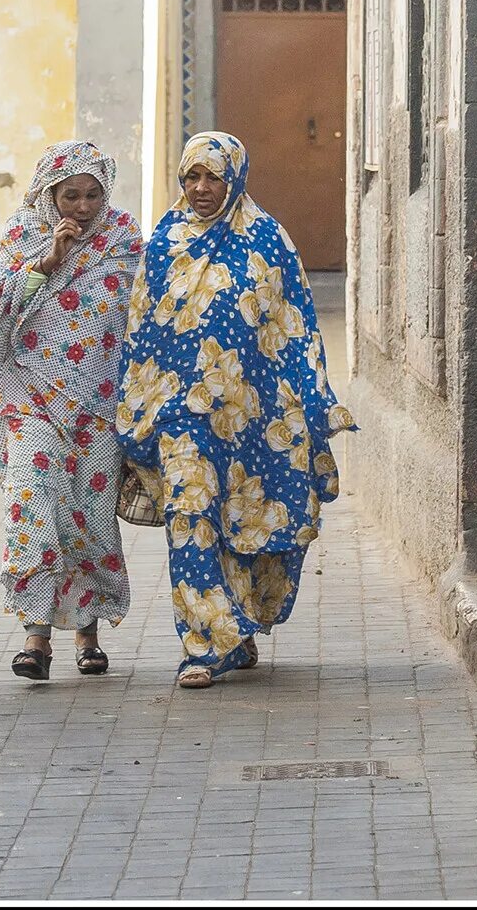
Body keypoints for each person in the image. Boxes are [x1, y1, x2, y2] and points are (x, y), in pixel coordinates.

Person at [116, 131, 356, 689]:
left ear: (236, 178)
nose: (201, 189)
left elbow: (295, 329)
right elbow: (140, 325)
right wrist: (136, 405)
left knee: (241, 524)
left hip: (252, 419)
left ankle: (237, 629)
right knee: (190, 514)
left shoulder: (268, 241)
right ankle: (203, 644)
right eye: (191, 177)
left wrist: (312, 404)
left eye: (213, 177)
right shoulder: (166, 240)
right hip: (180, 417)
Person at [0, 141, 144, 680]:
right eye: (71, 196)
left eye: (94, 195)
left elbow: (147, 309)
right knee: (34, 514)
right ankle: (35, 638)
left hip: (97, 410)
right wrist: (46, 262)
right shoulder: (23, 235)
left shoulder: (123, 238)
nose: (83, 208)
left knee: (88, 521)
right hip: (29, 401)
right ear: (49, 192)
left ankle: (87, 636)